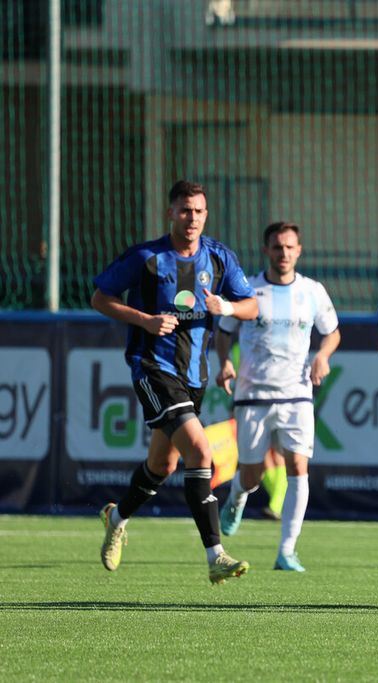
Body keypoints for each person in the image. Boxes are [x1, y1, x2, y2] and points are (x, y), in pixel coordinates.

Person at [92, 180, 258, 584]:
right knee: (200, 451)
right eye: (185, 210)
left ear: (206, 215)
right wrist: (145, 320)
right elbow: (100, 298)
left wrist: (227, 307)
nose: (192, 218)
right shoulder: (147, 257)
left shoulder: (218, 257)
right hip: (153, 367)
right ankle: (215, 555)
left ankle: (116, 518)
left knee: (162, 464)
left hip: (194, 377)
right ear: (170, 213)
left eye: (199, 211)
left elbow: (252, 307)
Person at [215, 222, 340, 572]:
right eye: (277, 247)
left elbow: (332, 333)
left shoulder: (312, 291)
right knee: (252, 476)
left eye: (289, 247)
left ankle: (287, 550)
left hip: (297, 395)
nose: (283, 253)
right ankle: (238, 495)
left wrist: (323, 355)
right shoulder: (247, 290)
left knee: (298, 467)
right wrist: (224, 362)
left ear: (298, 251)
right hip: (252, 395)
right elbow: (223, 331)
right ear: (266, 251)